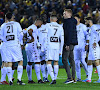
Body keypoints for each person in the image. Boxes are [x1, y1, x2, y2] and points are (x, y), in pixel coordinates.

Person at [0, 12, 25, 85]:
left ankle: (10, 80)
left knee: (9, 62)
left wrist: (6, 40)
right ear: (12, 17)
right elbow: (21, 34)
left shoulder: (3, 25)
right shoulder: (16, 24)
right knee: (20, 61)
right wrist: (20, 42)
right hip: (15, 45)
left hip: (7, 45)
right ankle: (19, 80)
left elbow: (1, 36)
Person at [45, 14, 64, 84]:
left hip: (49, 46)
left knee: (48, 61)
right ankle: (55, 78)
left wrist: (43, 47)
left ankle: (53, 78)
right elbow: (62, 39)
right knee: (56, 62)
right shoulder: (60, 27)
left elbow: (44, 36)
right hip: (57, 46)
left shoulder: (47, 25)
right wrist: (60, 50)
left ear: (51, 19)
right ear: (56, 20)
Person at [25, 18, 44, 84]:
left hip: (28, 45)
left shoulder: (29, 27)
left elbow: (25, 33)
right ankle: (39, 79)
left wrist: (27, 39)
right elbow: (30, 31)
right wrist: (32, 38)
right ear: (38, 22)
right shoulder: (34, 27)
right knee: (37, 61)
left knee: (29, 62)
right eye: (40, 24)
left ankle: (29, 79)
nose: (40, 25)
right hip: (32, 46)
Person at [62, 9, 78, 84]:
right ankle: (73, 78)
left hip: (69, 43)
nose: (63, 15)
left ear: (69, 14)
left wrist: (67, 44)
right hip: (73, 42)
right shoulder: (73, 21)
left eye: (65, 14)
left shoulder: (68, 22)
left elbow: (68, 33)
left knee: (64, 59)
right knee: (71, 60)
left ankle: (69, 78)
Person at [83, 17, 100, 83]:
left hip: (94, 47)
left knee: (96, 61)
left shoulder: (94, 27)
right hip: (91, 47)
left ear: (89, 21)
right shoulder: (89, 29)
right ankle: (89, 79)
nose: (85, 22)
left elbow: (99, 34)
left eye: (86, 21)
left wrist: (96, 41)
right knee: (89, 62)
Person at [74, 14, 88, 81]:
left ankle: (88, 73)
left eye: (76, 19)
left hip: (82, 46)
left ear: (79, 19)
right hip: (75, 47)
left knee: (82, 60)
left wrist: (87, 44)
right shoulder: (73, 27)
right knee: (76, 62)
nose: (75, 20)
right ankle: (78, 77)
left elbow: (87, 35)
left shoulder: (83, 26)